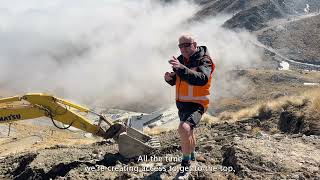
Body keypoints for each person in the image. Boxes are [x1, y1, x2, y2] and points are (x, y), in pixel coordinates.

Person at [164, 33, 215, 179]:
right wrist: (170, 79)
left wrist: (181, 68)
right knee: (189, 132)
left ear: (195, 44)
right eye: (181, 45)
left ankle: (185, 165)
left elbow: (202, 79)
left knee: (184, 128)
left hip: (198, 103)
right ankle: (192, 155)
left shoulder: (204, 60)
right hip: (183, 104)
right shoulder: (181, 60)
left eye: (187, 45)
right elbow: (179, 79)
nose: (184, 48)